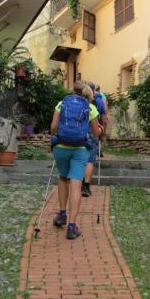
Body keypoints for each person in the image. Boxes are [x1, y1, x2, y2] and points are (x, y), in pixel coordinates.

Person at [50, 81, 102, 239]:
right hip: (80, 149)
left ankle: (62, 215)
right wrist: (101, 129)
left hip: (61, 148)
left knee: (63, 178)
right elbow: (96, 133)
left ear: (72, 91)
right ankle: (72, 227)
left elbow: (53, 127)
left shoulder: (61, 104)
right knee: (76, 184)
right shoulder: (90, 107)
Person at [82, 82, 107, 197]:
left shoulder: (69, 103)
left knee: (78, 158)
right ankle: (85, 186)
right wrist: (102, 131)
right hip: (92, 132)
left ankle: (75, 182)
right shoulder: (98, 101)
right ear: (93, 91)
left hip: (77, 134)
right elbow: (104, 119)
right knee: (90, 160)